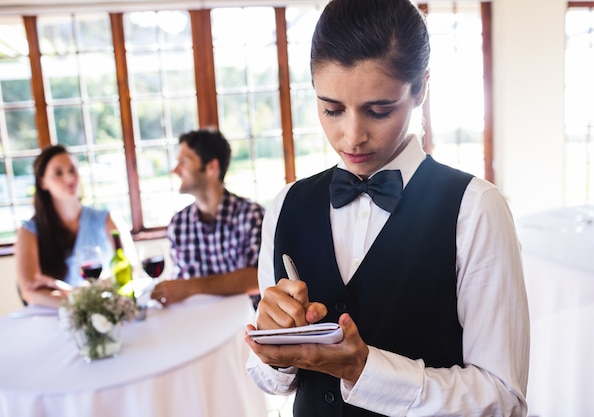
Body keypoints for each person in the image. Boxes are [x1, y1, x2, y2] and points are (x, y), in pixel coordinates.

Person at [245, 0, 530, 416]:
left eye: (378, 111)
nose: (352, 136)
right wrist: (275, 348)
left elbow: (503, 399)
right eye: (332, 109)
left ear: (420, 89)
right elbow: (270, 381)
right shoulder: (286, 205)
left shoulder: (476, 210)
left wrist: (365, 369)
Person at [150, 128, 264, 308]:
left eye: (184, 162)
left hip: (244, 328)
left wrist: (190, 287)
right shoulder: (178, 225)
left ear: (212, 168)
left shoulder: (251, 216)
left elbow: (258, 278)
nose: (175, 170)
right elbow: (178, 287)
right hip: (198, 327)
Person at [15, 145, 122, 308]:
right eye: (58, 173)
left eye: (72, 170)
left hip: (105, 312)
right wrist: (78, 301)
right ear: (43, 182)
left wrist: (71, 292)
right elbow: (30, 291)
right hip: (55, 321)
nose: (69, 178)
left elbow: (128, 269)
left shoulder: (106, 219)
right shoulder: (29, 231)